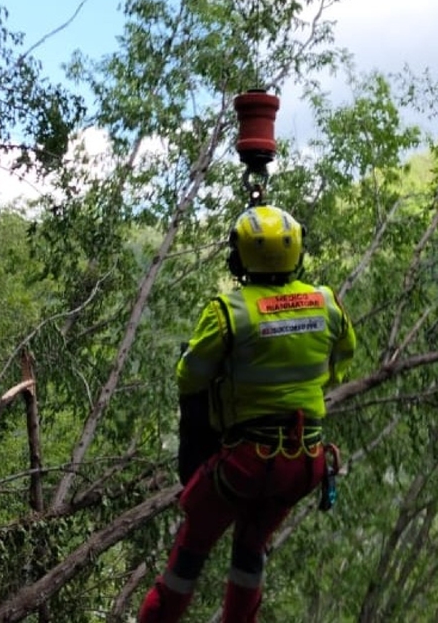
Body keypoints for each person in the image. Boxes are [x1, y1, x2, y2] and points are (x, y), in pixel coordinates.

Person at [138, 204, 357, 623]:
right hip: (304, 462)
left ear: (239, 258)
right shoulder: (327, 304)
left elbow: (190, 377)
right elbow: (344, 357)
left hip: (244, 463)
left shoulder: (229, 313)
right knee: (250, 547)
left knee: (191, 547)